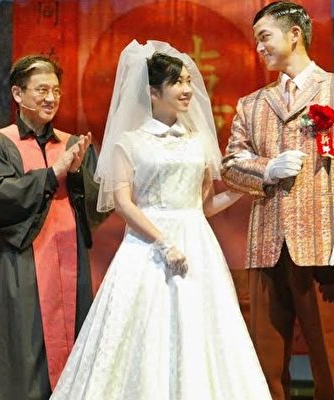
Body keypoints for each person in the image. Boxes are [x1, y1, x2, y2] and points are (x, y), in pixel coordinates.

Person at [50, 40, 271, 400]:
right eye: (177, 82)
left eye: (188, 81)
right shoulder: (129, 142)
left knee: (202, 329)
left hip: (196, 243)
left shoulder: (198, 141)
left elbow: (203, 205)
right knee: (143, 326)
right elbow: (123, 203)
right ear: (153, 92)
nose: (187, 90)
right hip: (146, 247)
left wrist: (243, 190)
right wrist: (163, 241)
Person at [221, 2, 334, 399]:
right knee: (265, 358)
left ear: (294, 34)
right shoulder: (252, 103)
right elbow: (230, 166)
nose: (259, 47)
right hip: (266, 242)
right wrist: (267, 169)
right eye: (256, 40)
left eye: (265, 37)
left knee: (327, 353)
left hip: (321, 241)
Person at [0, 55, 103, 400]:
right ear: (18, 94)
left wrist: (75, 175)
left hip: (70, 261)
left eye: (56, 91)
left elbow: (97, 206)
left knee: (74, 346)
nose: (51, 98)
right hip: (21, 262)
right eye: (42, 90)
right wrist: (51, 174)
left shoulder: (73, 144)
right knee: (23, 346)